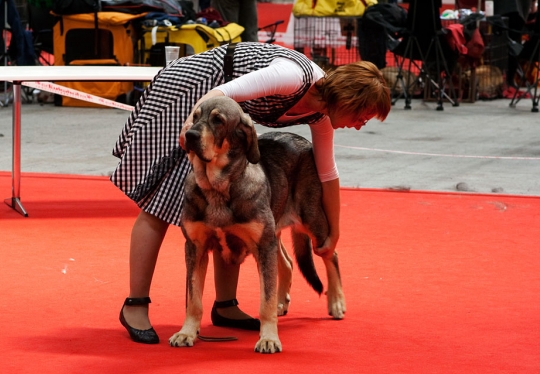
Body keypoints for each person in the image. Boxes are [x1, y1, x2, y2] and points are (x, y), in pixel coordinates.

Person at [112, 42, 391, 344]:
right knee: (164, 200)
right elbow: (219, 94)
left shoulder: (321, 116)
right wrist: (191, 126)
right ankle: (135, 305)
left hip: (222, 107)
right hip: (197, 90)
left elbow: (328, 173)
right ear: (349, 100)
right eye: (363, 116)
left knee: (228, 194)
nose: (361, 126)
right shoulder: (293, 75)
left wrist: (333, 234)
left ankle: (226, 305)